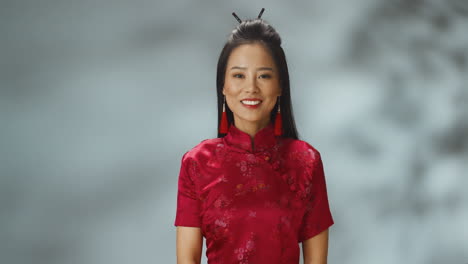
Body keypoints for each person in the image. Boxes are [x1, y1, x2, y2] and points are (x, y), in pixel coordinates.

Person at [174, 8, 334, 264]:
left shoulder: (306, 161)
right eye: (238, 75)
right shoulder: (197, 163)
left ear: (280, 85)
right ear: (223, 86)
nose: (251, 87)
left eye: (264, 76)